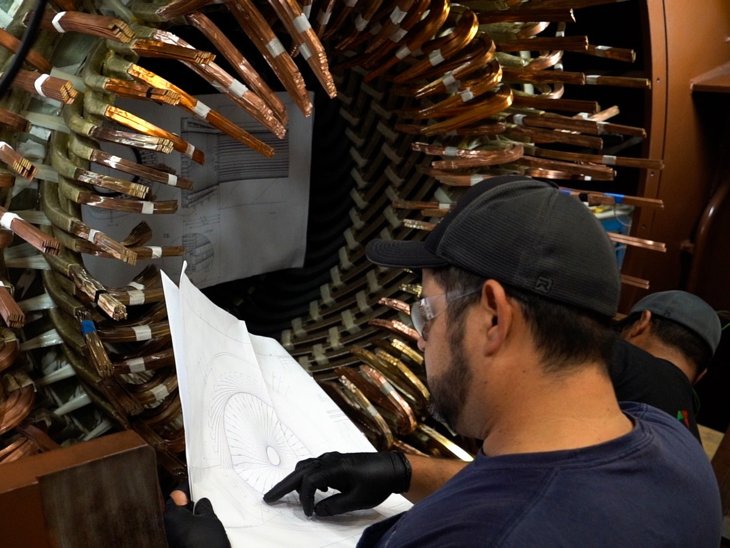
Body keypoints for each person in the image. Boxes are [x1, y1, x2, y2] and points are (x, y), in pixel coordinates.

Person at [167, 176, 722, 546]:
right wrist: (405, 471)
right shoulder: (673, 447)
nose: (420, 339)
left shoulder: (478, 536)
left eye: (427, 313)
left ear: (494, 317)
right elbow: (535, 481)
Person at [611, 290, 722, 440]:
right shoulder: (691, 437)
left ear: (641, 323)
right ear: (700, 375)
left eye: (620, 331)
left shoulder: (606, 360)